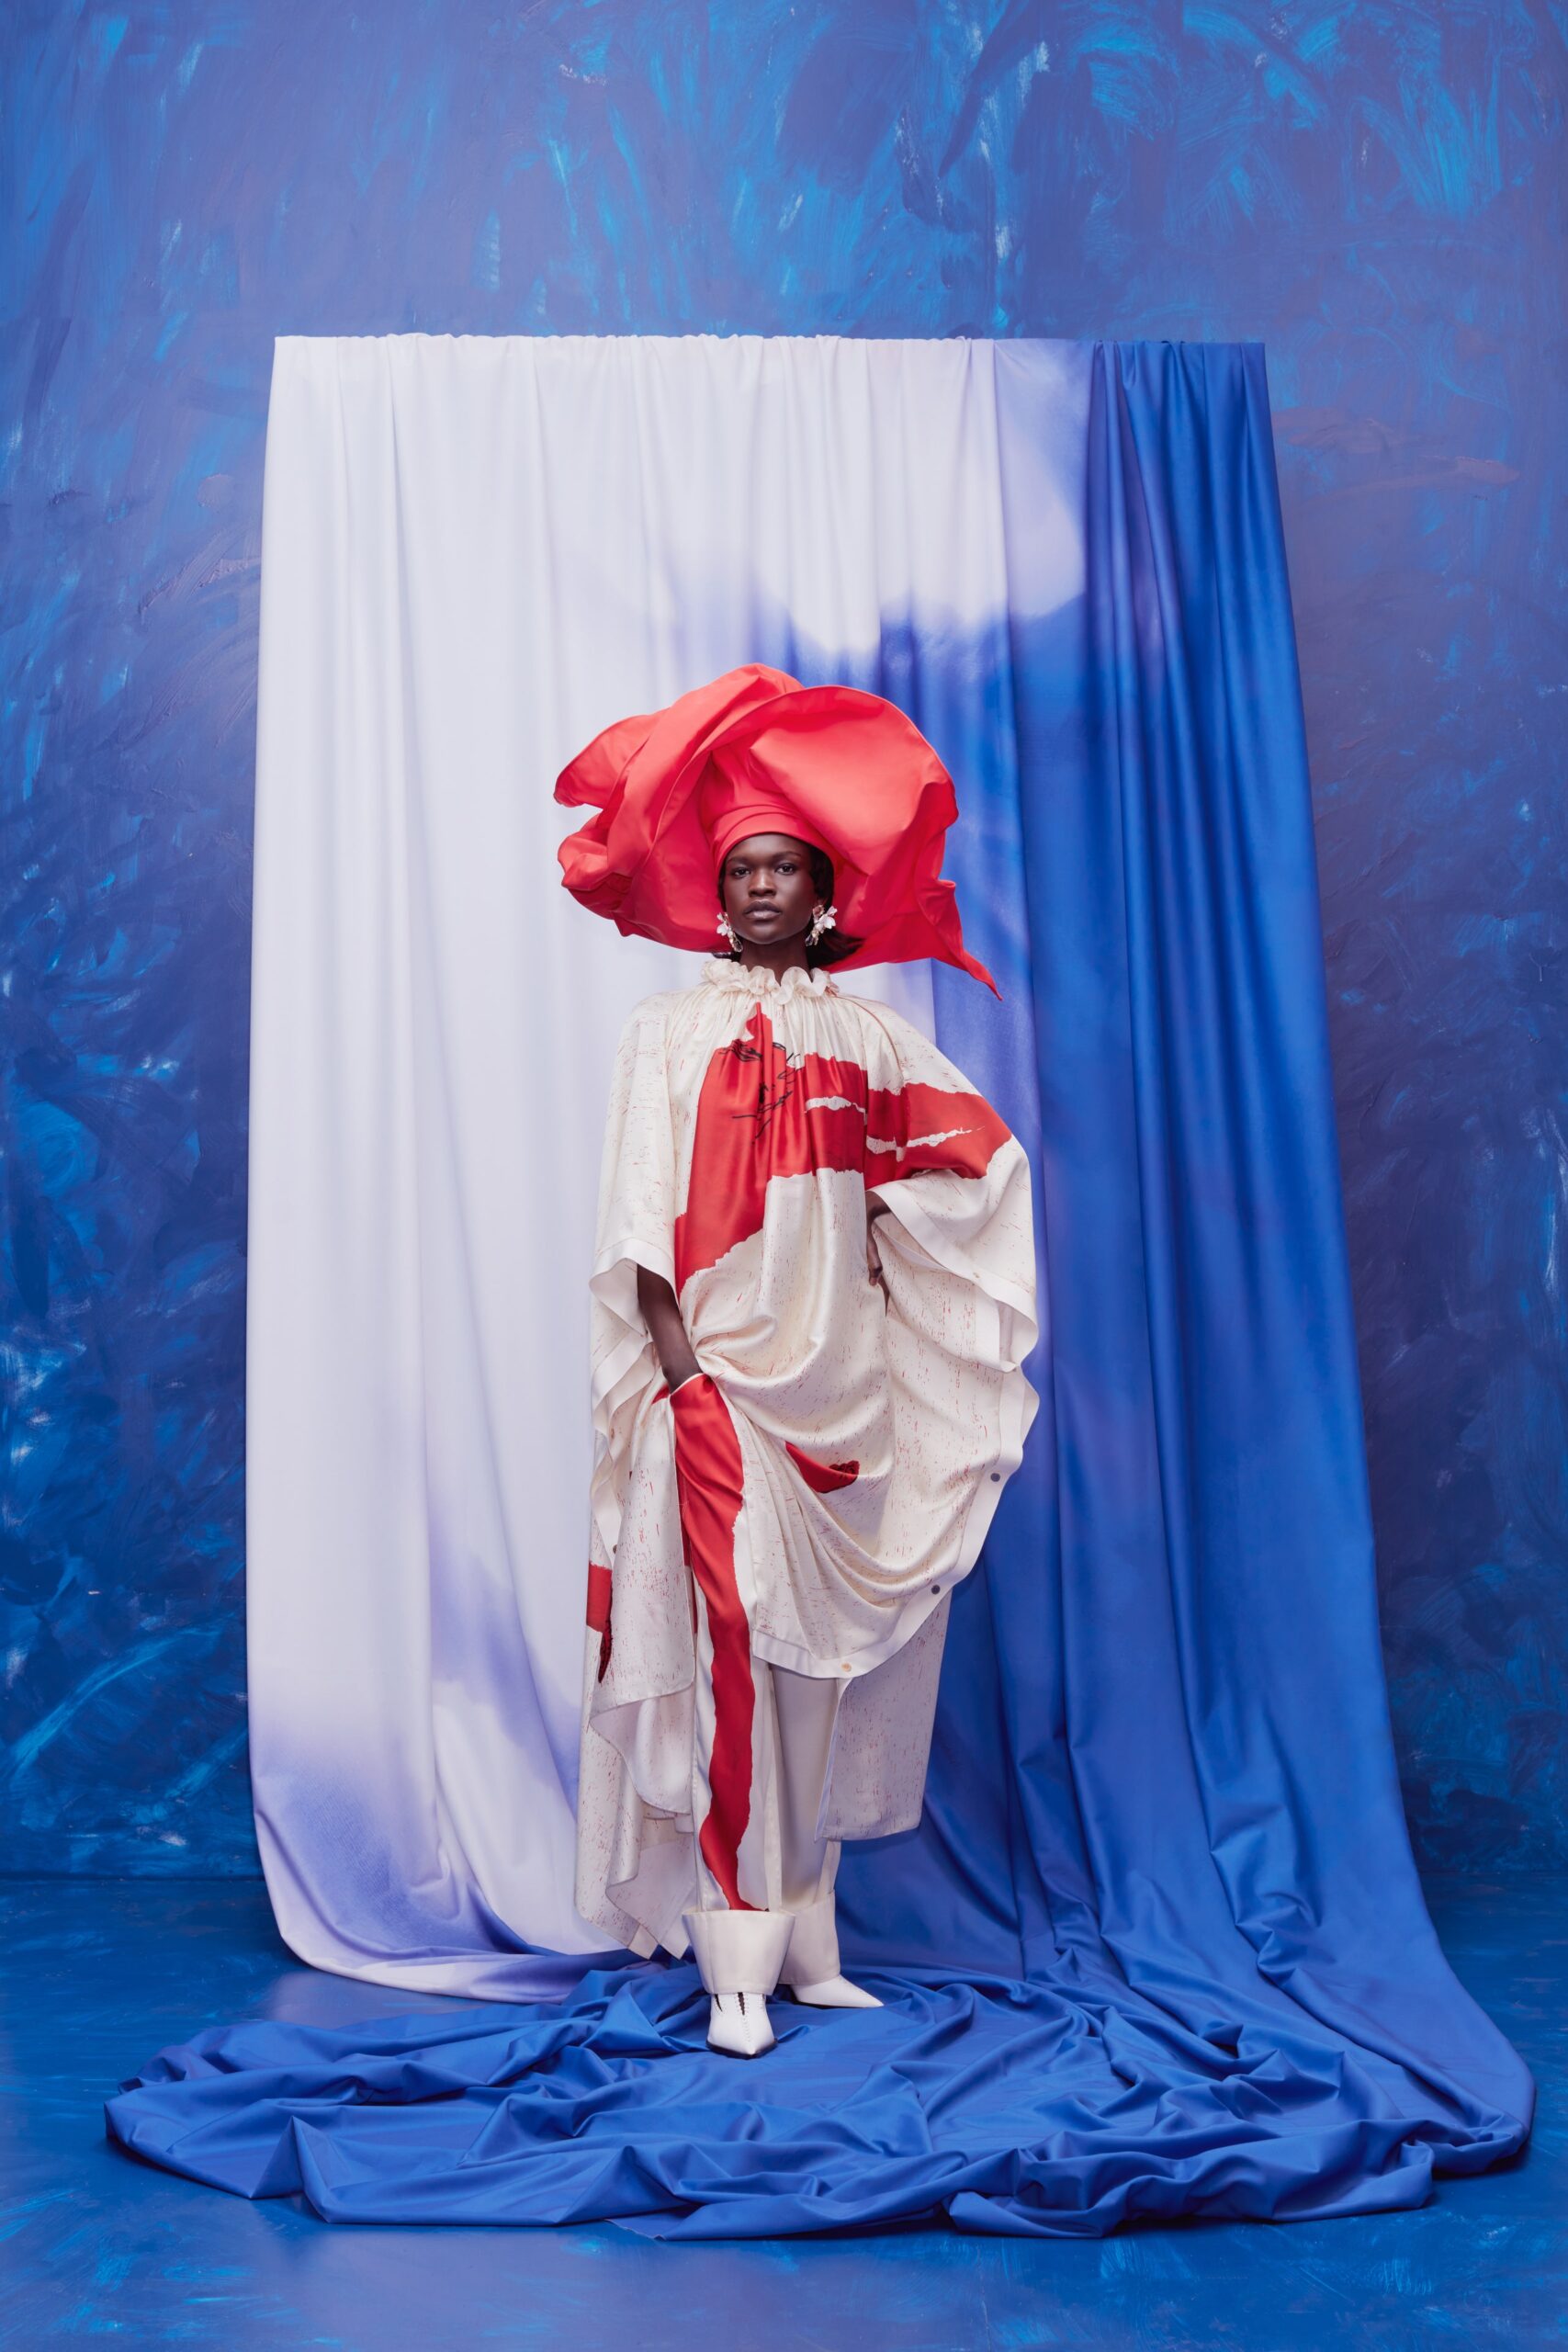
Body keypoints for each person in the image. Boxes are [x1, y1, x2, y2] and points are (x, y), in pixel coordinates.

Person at [556, 664, 1038, 2057]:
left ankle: (810, 1936)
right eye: (743, 869)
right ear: (718, 892)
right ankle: (735, 1974)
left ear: (828, 898)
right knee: (727, 1676)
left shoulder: (881, 1042)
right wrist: (687, 1379)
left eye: (787, 869)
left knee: (818, 1681)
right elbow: (638, 1234)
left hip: (850, 1412)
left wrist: (907, 1315)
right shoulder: (668, 1037)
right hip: (719, 1404)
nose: (763, 888)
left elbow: (963, 1185)